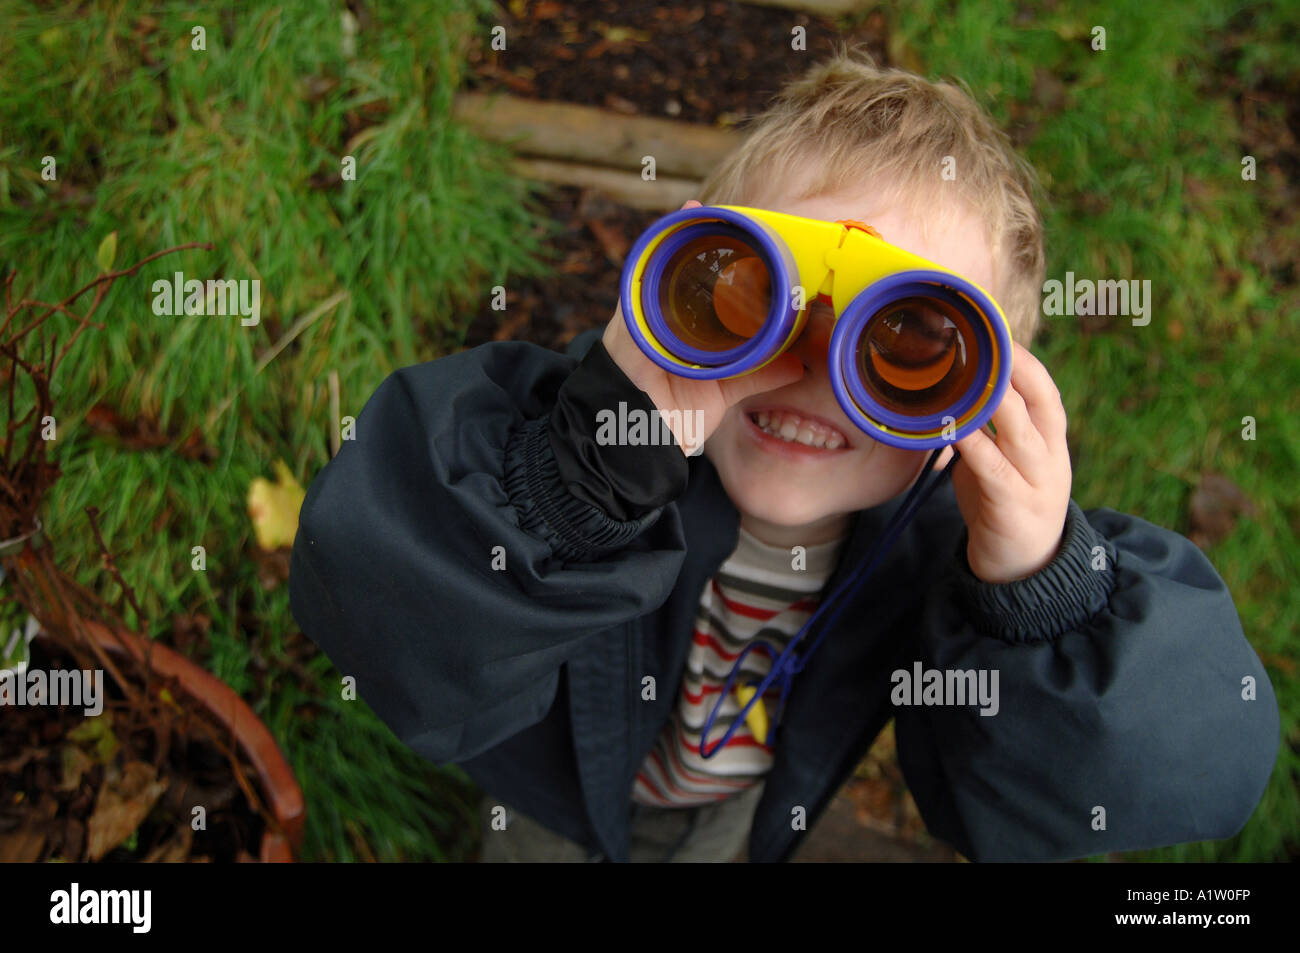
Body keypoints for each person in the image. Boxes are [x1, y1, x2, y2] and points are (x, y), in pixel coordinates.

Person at [288, 49, 1279, 863]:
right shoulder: (565, 442)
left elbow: (1182, 771)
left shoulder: (940, 547)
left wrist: (1042, 588)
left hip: (748, 811)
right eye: (754, 300)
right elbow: (377, 605)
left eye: (905, 341)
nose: (811, 372)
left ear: (978, 394)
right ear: (678, 286)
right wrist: (587, 469)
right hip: (547, 789)